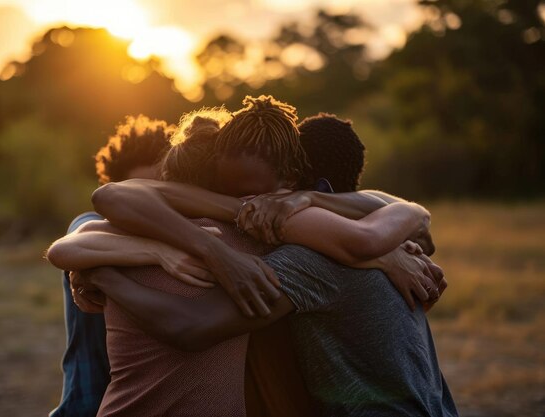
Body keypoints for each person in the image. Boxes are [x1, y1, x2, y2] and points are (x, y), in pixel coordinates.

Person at [68, 96, 454, 415]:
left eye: (251, 196)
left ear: (291, 183)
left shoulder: (303, 246)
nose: (246, 208)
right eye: (232, 195)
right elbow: (97, 213)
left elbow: (189, 326)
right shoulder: (269, 227)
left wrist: (102, 274)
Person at [48, 114, 184, 417]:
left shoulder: (184, 232)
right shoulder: (91, 226)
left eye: (163, 191)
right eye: (140, 193)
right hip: (87, 403)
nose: (153, 205)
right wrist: (159, 251)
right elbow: (73, 243)